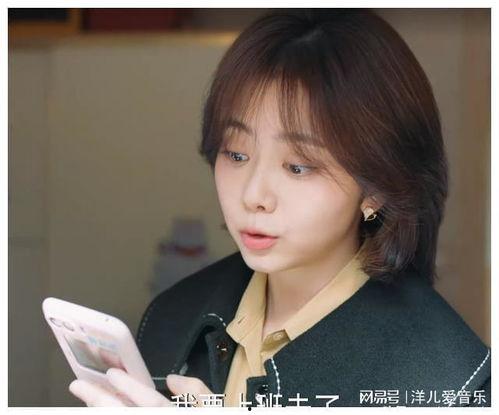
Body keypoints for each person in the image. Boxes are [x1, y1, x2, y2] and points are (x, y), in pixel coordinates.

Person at [68, 9, 491, 407]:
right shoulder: (173, 317)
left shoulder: (448, 382)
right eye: (236, 154)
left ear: (376, 188)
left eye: (298, 167)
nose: (254, 194)